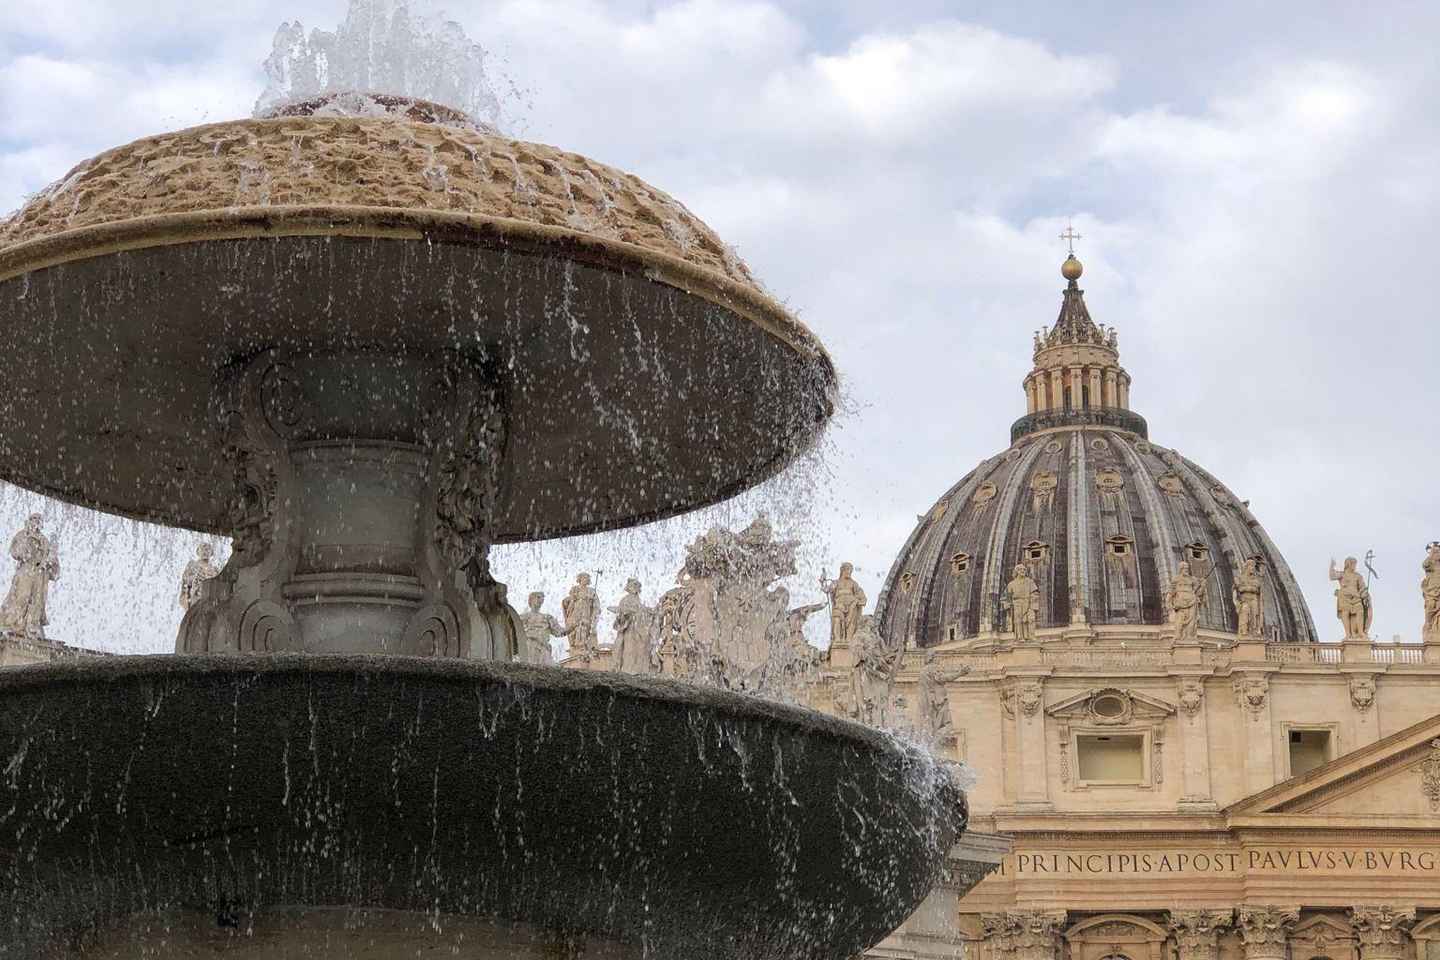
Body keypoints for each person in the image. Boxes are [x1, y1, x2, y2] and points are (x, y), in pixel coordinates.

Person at [0, 514, 59, 640]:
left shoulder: (44, 540)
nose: (36, 522)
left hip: (40, 573)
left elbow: (54, 564)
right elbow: (15, 552)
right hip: (26, 570)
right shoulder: (22, 534)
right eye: (33, 519)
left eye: (38, 520)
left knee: (37, 601)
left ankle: (32, 626)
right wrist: (27, 541)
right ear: (29, 521)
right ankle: (14, 623)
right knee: (22, 596)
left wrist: (50, 560)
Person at [610, 578, 656, 674]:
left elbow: (642, 612)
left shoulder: (638, 600)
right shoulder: (625, 599)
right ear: (630, 588)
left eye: (638, 587)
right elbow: (621, 615)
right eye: (635, 586)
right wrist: (627, 614)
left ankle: (638, 671)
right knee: (629, 649)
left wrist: (649, 612)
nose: (637, 588)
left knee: (640, 649)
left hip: (639, 629)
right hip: (629, 628)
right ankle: (627, 670)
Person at [819, 562, 866, 646]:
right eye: (847, 570)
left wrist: (856, 602)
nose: (849, 572)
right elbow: (826, 590)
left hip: (851, 607)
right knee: (837, 620)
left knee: (850, 624)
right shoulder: (836, 583)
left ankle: (848, 641)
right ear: (842, 570)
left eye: (850, 570)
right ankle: (837, 640)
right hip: (839, 606)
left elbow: (861, 596)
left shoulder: (854, 584)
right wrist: (822, 582)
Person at [519, 591, 569, 665]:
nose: (540, 600)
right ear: (531, 600)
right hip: (529, 646)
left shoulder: (547, 617)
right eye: (538, 597)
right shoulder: (523, 617)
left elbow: (559, 632)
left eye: (542, 598)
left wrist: (573, 626)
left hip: (543, 647)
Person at [1329, 556, 1372, 640]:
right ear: (1348, 564)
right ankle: (1348, 634)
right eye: (1353, 564)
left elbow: (1362, 588)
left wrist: (1366, 596)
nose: (1355, 566)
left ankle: (1360, 632)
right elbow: (1332, 576)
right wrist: (1332, 566)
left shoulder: (1358, 576)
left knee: (1360, 611)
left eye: (1355, 564)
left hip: (1356, 597)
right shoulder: (1342, 574)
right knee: (1345, 613)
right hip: (1344, 597)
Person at [562, 572, 601, 662]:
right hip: (575, 614)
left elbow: (596, 606)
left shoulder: (591, 591)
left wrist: (594, 609)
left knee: (584, 630)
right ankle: (576, 650)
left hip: (586, 614)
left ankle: (584, 651)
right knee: (574, 631)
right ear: (580, 579)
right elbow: (569, 602)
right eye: (584, 578)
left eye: (587, 578)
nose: (586, 579)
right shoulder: (575, 589)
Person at [178, 543, 221, 610]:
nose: (205, 551)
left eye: (207, 549)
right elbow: (185, 583)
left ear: (211, 553)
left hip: (210, 602)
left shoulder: (215, 570)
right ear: (198, 552)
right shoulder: (192, 565)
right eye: (202, 549)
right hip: (196, 598)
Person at [1005, 563, 1040, 643]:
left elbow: (1035, 593)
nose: (1023, 571)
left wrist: (1033, 605)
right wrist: (1008, 605)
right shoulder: (1011, 584)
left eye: (1024, 569)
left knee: (1030, 619)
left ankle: (1031, 636)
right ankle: (1020, 637)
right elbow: (1006, 597)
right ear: (1016, 571)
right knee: (1018, 621)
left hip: (1028, 602)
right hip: (1017, 604)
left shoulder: (1030, 582)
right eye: (1021, 569)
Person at [1232, 556, 1264, 638]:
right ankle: (1244, 632)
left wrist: (1246, 588)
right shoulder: (1240, 578)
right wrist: (1250, 588)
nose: (1253, 569)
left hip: (1253, 600)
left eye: (1253, 567)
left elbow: (1257, 588)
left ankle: (1252, 633)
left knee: (1254, 617)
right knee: (1245, 614)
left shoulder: (1256, 580)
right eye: (1251, 566)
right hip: (1244, 601)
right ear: (1246, 567)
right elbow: (1239, 588)